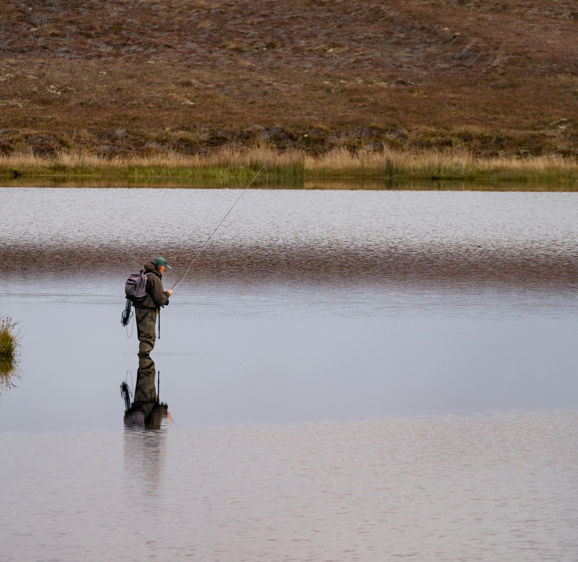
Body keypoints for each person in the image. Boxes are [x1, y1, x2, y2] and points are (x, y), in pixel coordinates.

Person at [132, 256, 173, 406]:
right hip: (147, 311)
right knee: (148, 338)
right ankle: (145, 361)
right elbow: (159, 299)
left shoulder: (146, 274)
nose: (165, 270)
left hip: (139, 310)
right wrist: (167, 294)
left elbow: (154, 295)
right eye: (164, 268)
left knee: (143, 337)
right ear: (160, 267)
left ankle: (143, 363)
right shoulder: (154, 278)